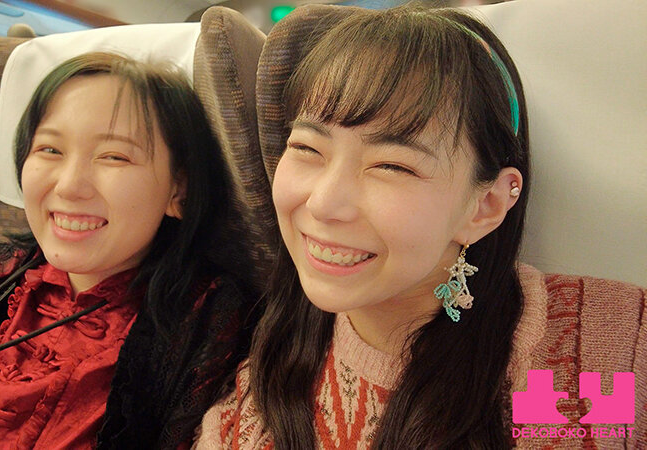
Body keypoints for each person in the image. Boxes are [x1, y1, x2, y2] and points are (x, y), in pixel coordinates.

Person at [196, 5, 647, 449]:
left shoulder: (616, 351)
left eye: (391, 165)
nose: (323, 203)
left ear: (486, 206)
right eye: (308, 148)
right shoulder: (254, 402)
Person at [0, 52, 256, 449]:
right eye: (50, 150)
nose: (69, 186)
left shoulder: (207, 319)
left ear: (178, 191)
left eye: (114, 156)